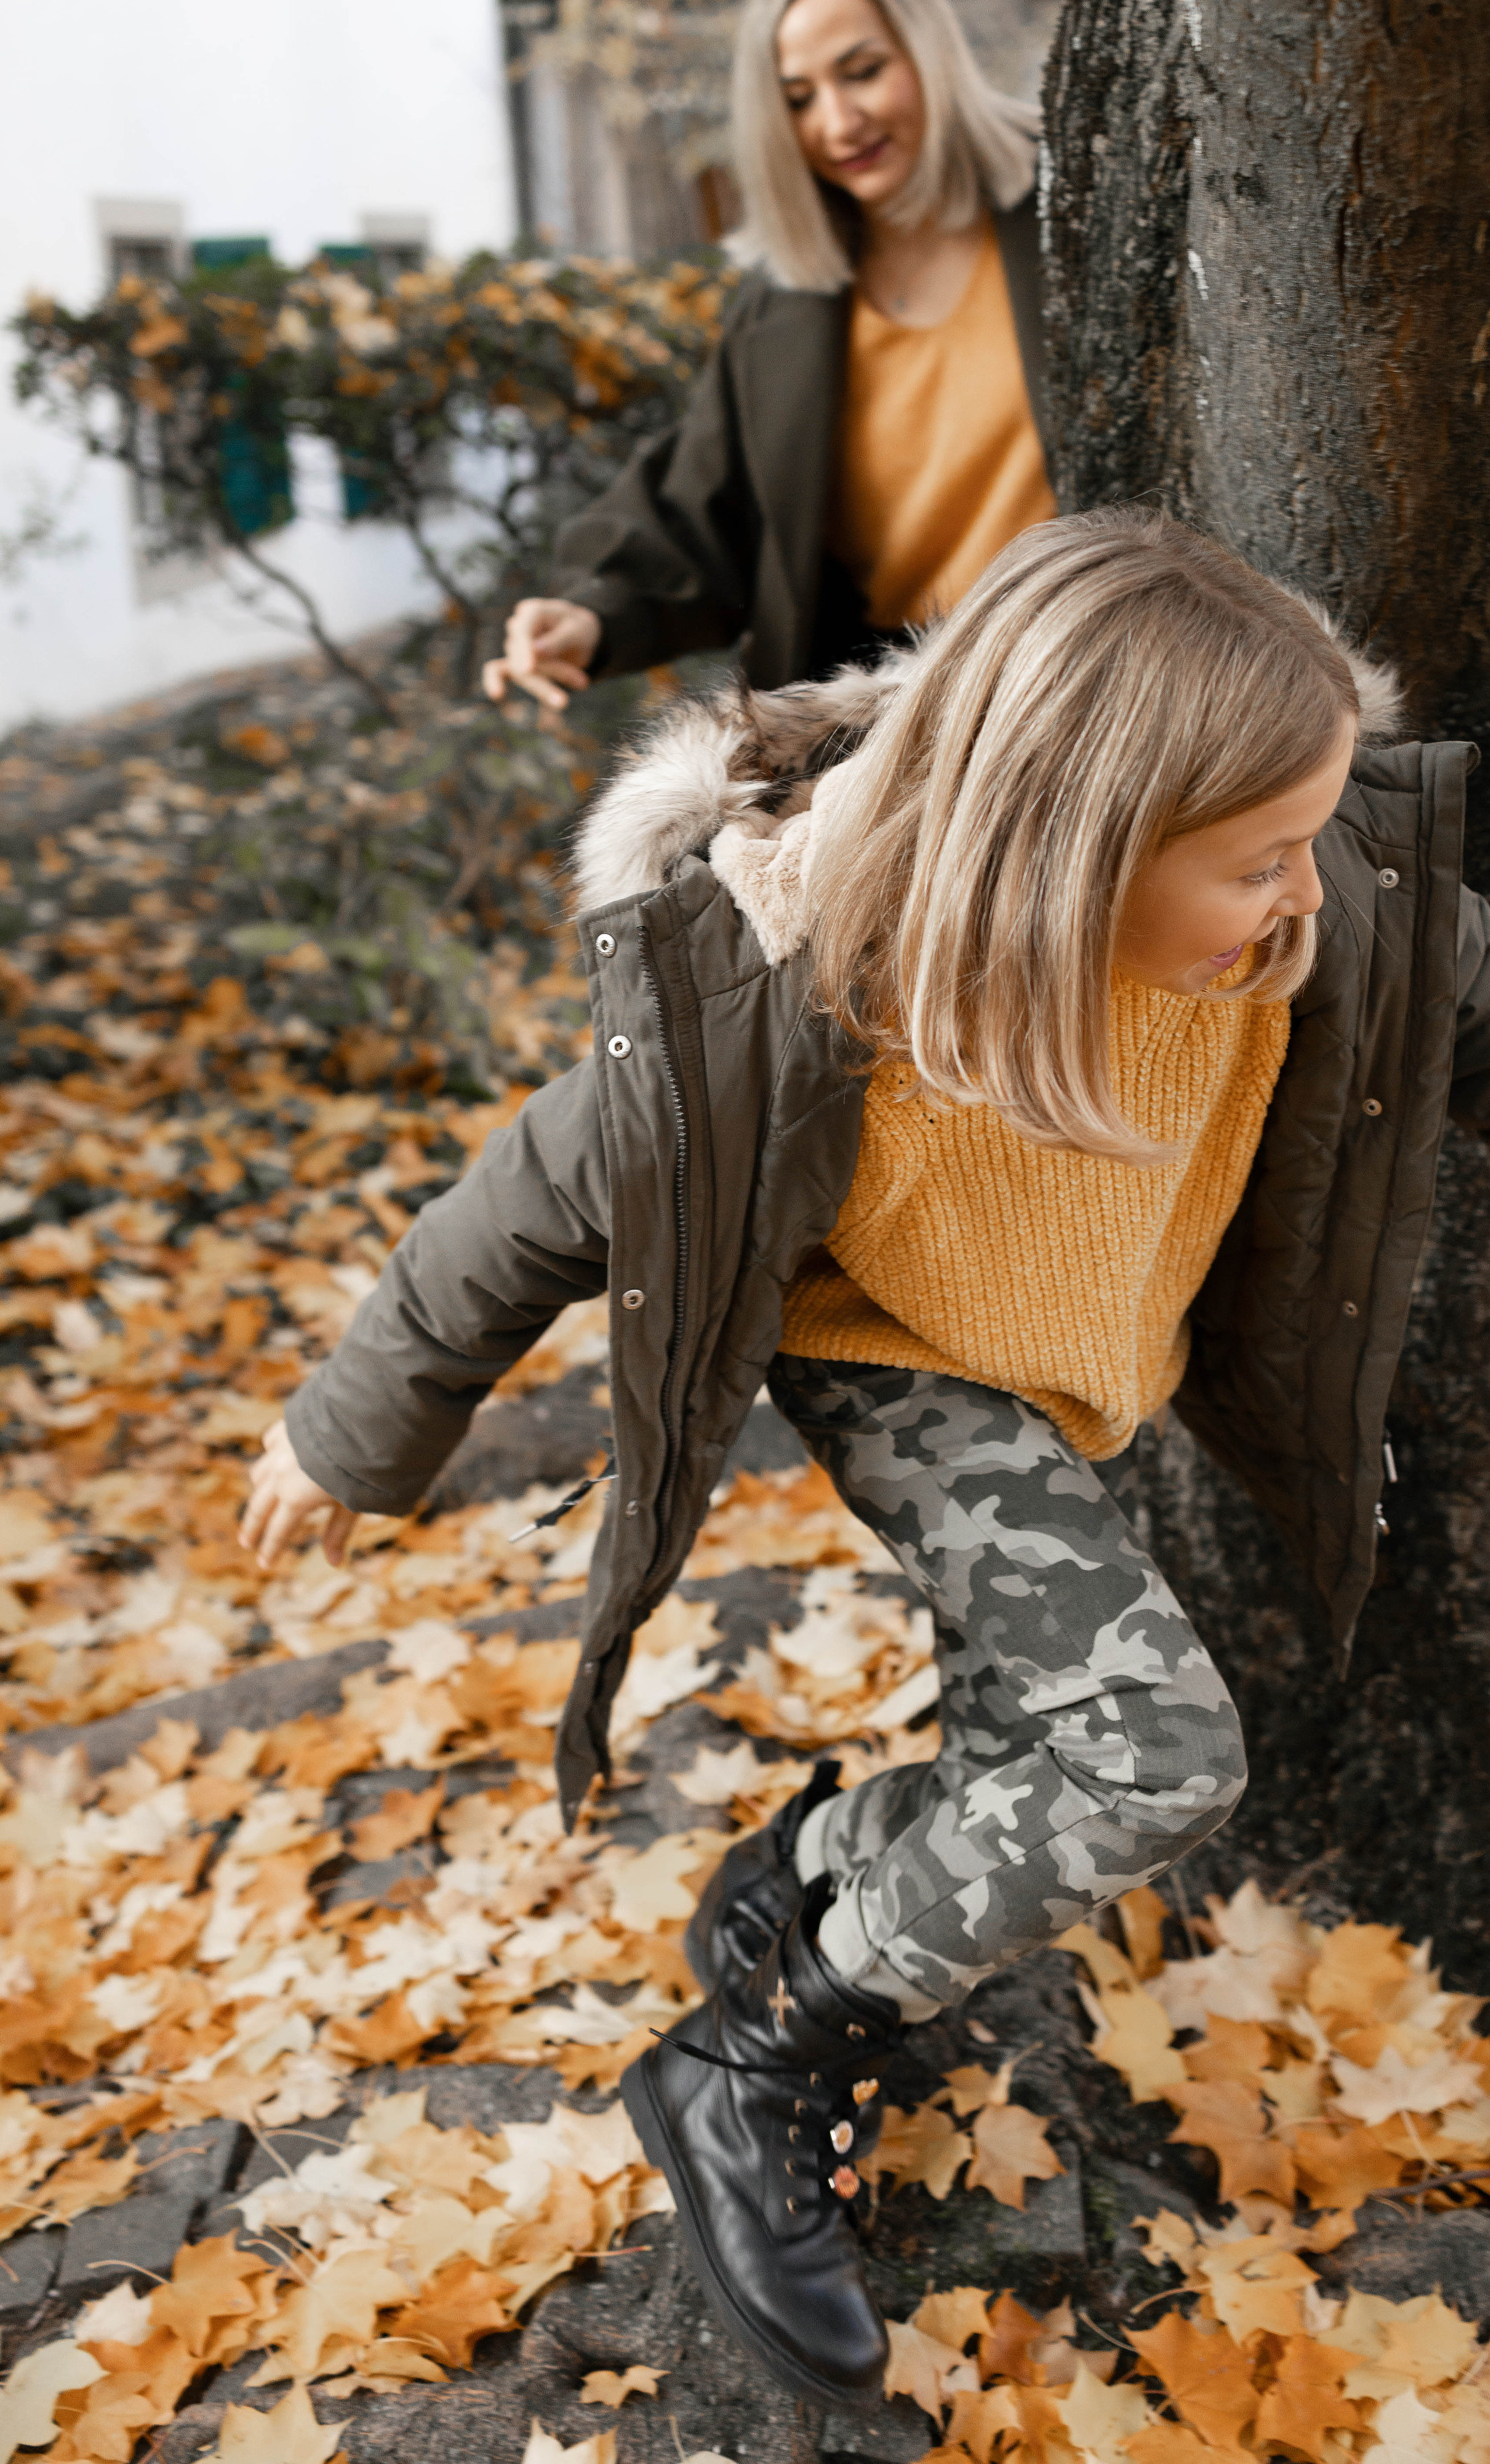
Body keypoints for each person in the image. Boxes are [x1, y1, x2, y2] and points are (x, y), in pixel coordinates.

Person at [241, 510, 1490, 2413]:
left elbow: (1454, 992)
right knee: (1149, 1751)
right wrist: (350, 1432)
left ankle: (808, 1870)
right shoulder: (814, 973)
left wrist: (1284, 882)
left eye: (1311, 836)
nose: (1304, 886)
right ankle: (753, 2058)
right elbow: (531, 1201)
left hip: (1078, 1357)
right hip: (896, 1355)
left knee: (1028, 1755)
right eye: (1257, 856)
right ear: (1077, 848)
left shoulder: (1304, 916)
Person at [479, 0, 1053, 712]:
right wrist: (591, 613)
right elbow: (707, 506)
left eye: (863, 72)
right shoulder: (785, 302)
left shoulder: (1065, 213)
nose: (838, 122)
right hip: (882, 708)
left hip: (1083, 680)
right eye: (798, 98)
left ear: (930, 53)